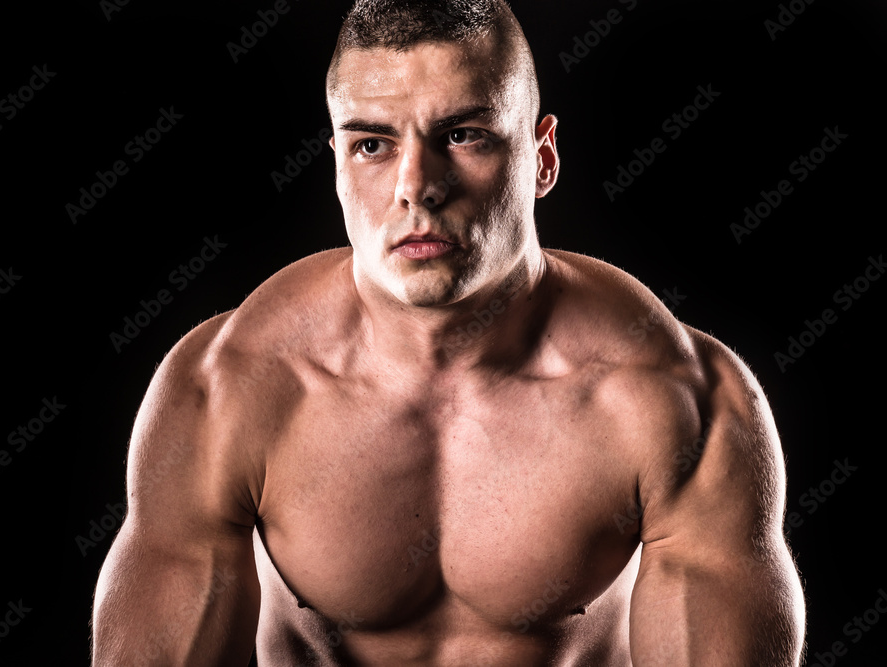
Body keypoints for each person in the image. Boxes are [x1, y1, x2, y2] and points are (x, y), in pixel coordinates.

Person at [91, 1, 806, 664]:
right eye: (373, 144)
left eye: (463, 135)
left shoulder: (676, 398)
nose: (416, 186)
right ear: (337, 164)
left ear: (542, 157)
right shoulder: (229, 387)